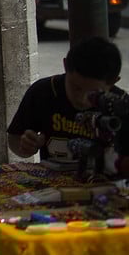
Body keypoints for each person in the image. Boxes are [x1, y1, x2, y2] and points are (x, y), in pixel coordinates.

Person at [8, 36, 125, 168]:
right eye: (76, 88)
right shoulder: (43, 92)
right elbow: (14, 137)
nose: (81, 99)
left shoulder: (119, 106)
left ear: (113, 82)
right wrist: (25, 146)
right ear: (65, 66)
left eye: (94, 94)